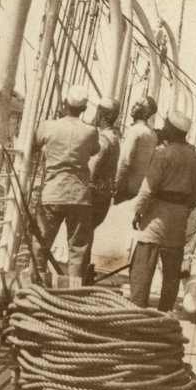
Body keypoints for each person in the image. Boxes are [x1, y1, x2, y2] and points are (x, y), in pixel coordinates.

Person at [128, 111, 196, 312]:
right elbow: (194, 195)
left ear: (173, 131)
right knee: (171, 271)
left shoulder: (162, 155)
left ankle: (136, 309)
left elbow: (148, 189)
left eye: (166, 125)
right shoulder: (195, 160)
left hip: (156, 216)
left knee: (143, 266)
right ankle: (165, 311)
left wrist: (138, 211)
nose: (163, 128)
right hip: (178, 220)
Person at [31, 85, 99, 284]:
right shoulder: (91, 131)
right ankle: (73, 291)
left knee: (41, 243)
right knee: (77, 248)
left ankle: (35, 286)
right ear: (84, 109)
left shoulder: (47, 126)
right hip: (80, 196)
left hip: (53, 193)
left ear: (64, 104)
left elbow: (33, 145)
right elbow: (94, 150)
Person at [82, 96, 121, 283]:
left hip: (94, 195)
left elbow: (91, 172)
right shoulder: (115, 138)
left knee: (81, 237)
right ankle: (84, 273)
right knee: (87, 235)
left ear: (100, 114)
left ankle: (80, 277)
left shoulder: (103, 140)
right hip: (104, 196)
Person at [113, 96, 158, 204]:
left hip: (125, 187)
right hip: (139, 187)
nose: (132, 107)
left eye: (137, 105)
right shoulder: (152, 134)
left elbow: (125, 161)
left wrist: (115, 184)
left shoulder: (135, 131)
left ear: (144, 112)